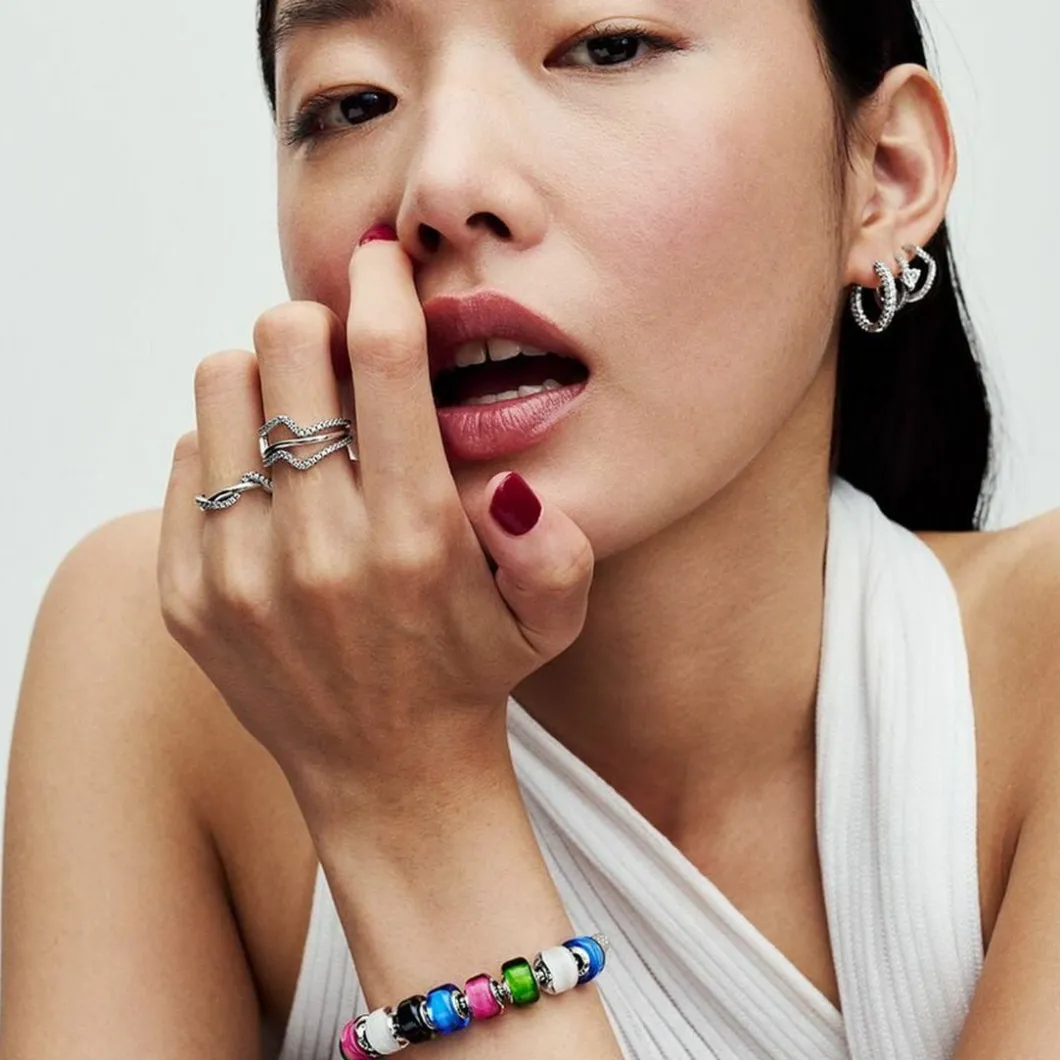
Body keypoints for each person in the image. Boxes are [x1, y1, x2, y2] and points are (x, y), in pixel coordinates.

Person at [5, 0, 1060, 1057]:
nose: (442, 185)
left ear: (885, 175)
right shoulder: (173, 663)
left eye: (608, 46)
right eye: (353, 102)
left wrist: (406, 795)